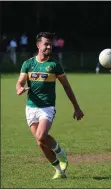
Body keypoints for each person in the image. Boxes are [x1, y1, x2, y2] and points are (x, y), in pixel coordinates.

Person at [15, 32, 84, 179]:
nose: (49, 46)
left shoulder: (54, 65)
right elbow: (20, 82)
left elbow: (67, 87)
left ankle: (62, 154)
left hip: (47, 107)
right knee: (40, 143)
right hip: (31, 107)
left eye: (50, 44)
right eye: (46, 44)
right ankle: (59, 170)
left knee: (41, 136)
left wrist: (76, 108)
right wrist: (19, 88)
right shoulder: (28, 64)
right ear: (38, 45)